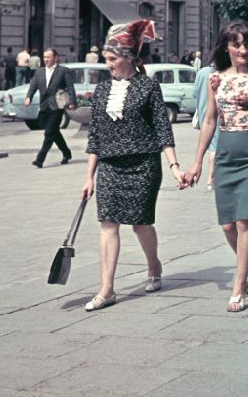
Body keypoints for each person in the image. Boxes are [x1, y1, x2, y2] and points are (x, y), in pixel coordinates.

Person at [81, 19, 185, 312]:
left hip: (144, 165)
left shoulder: (149, 87)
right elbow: (95, 136)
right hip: (110, 167)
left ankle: (154, 266)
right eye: (106, 59)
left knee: (141, 225)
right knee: (108, 224)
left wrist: (175, 166)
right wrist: (88, 176)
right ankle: (107, 289)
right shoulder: (101, 91)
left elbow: (163, 129)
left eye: (112, 59)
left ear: (127, 58)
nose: (108, 65)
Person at [184, 21, 248, 312]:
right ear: (226, 46)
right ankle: (247, 263)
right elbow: (210, 121)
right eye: (237, 44)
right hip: (225, 154)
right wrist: (197, 160)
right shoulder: (216, 79)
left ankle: (239, 287)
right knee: (227, 224)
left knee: (244, 220)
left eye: (247, 44)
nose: (243, 50)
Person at [25, 48, 78, 168]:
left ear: (56, 58)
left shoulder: (63, 71)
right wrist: (29, 97)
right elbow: (33, 85)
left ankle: (40, 159)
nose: (46, 60)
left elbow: (70, 87)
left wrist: (73, 102)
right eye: (44, 57)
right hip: (44, 106)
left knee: (49, 133)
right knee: (54, 132)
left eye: (49, 57)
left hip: (57, 106)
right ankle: (66, 152)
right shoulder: (39, 72)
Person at [192, 63, 218, 189]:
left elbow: (195, 93)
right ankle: (211, 178)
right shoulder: (217, 74)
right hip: (216, 115)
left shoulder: (202, 72)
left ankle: (212, 177)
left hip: (203, 112)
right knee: (215, 146)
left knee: (211, 144)